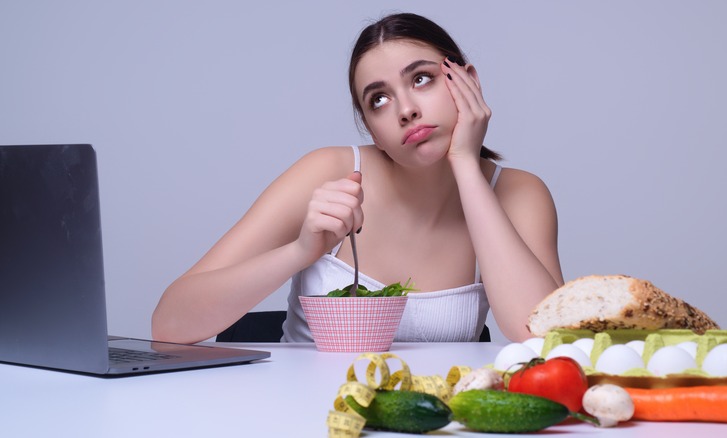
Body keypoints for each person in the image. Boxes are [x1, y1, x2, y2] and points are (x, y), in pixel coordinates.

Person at [152, 12, 564, 344]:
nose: (405, 109)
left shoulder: (519, 193)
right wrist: (300, 251)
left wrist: (465, 163)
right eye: (379, 100)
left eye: (422, 79)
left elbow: (547, 340)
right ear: (370, 128)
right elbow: (169, 326)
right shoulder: (326, 170)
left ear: (467, 81)